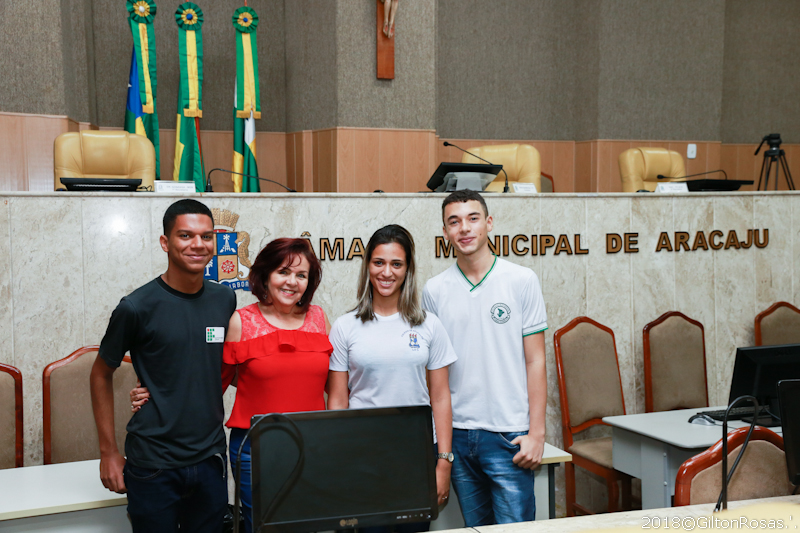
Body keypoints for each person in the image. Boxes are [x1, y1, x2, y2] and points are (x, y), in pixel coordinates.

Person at [132, 238, 331, 533]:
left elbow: (332, 383)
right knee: (263, 527)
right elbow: (211, 381)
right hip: (257, 449)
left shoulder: (319, 318)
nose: (292, 282)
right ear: (266, 275)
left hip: (311, 447)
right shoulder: (241, 321)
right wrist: (158, 393)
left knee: (308, 526)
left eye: (301, 275)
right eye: (283, 272)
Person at [90, 199, 236, 533]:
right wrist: (108, 452)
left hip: (210, 459)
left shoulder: (224, 299)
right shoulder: (136, 307)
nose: (198, 244)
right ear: (165, 243)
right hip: (152, 464)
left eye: (206, 236)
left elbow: (219, 365)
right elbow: (100, 374)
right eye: (186, 236)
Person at [421, 190, 548, 526]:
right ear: (445, 232)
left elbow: (536, 361)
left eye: (473, 218)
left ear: (489, 223)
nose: (464, 228)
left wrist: (537, 433)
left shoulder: (521, 280)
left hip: (509, 434)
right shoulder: (434, 290)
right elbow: (435, 374)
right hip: (458, 435)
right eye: (454, 221)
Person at [327, 224, 456, 533]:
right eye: (379, 262)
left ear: (408, 269)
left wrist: (444, 462)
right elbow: (338, 399)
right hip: (360, 457)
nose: (387, 272)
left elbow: (440, 397)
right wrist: (335, 461)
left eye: (396, 264)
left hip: (415, 458)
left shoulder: (429, 326)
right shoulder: (346, 327)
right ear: (367, 266)